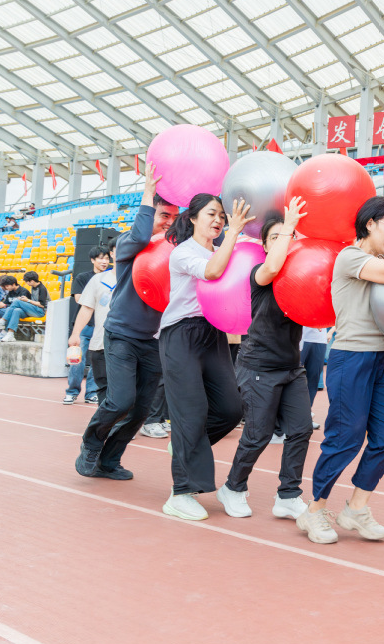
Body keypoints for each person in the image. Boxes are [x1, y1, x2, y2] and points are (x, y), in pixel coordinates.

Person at [297, 185, 384, 545]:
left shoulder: (378, 263)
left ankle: (356, 508)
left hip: (380, 359)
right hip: (350, 359)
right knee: (345, 439)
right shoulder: (349, 258)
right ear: (369, 225)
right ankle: (314, 510)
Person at [75, 171, 179, 482]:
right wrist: (147, 197)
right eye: (163, 215)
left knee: (140, 410)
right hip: (121, 334)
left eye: (174, 218)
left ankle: (109, 460)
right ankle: (91, 444)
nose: (168, 223)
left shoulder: (176, 251)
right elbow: (139, 236)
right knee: (121, 400)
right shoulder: (129, 244)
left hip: (154, 339)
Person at [218, 198, 317, 522]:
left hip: (291, 367)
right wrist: (288, 226)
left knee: (301, 430)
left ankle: (288, 495)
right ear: (263, 246)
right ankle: (233, 487)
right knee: (257, 435)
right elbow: (274, 266)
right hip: (258, 367)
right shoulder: (261, 274)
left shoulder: (300, 278)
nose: (283, 241)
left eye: (286, 236)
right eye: (274, 238)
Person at [158, 194, 252, 521]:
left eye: (223, 218)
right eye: (212, 214)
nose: (219, 221)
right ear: (193, 217)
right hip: (180, 334)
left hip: (213, 333)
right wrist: (236, 233)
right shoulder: (183, 252)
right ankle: (180, 493)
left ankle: (184, 445)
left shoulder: (224, 251)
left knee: (230, 408)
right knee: (191, 412)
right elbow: (212, 273)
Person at [68, 243, 117, 412]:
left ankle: (91, 392)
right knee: (77, 361)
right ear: (92, 260)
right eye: (100, 258)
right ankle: (72, 391)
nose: (104, 261)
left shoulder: (114, 276)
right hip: (85, 326)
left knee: (96, 365)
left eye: (106, 258)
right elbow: (80, 300)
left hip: (100, 326)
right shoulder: (84, 277)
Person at [0, 270, 48, 342]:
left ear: (32, 281)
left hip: (40, 311)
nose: (26, 283)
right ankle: (10, 334)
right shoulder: (33, 287)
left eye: (27, 281)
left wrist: (27, 300)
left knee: (17, 301)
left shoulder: (42, 288)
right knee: (16, 311)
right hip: (33, 309)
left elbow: (42, 305)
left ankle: (3, 320)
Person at [300, 326, 330, 428]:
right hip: (300, 338)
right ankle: (289, 418)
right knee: (292, 378)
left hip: (320, 340)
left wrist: (331, 331)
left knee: (313, 380)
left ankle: (306, 417)